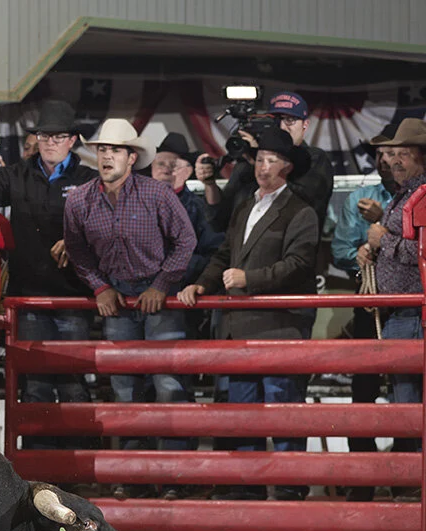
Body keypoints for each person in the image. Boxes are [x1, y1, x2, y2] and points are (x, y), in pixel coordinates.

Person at [178, 128, 319, 503]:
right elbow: (225, 253)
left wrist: (249, 279)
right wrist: (204, 283)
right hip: (242, 326)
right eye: (259, 159)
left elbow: (300, 263)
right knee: (244, 411)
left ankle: (288, 486)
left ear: (287, 167)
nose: (263, 167)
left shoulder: (300, 211)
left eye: (272, 160)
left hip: (279, 327)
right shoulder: (245, 206)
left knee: (281, 409)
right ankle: (247, 485)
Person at [0, 100, 97, 450]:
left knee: (72, 380)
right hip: (29, 296)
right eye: (44, 135)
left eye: (58, 136)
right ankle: (37, 459)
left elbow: (101, 226)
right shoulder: (18, 174)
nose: (49, 142)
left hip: (72, 295)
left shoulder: (88, 182)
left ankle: (77, 458)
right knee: (35, 381)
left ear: (72, 140)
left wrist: (75, 240)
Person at [63, 119, 196, 501]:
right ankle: (133, 476)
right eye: (103, 150)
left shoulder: (156, 194)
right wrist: (100, 287)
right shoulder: (80, 200)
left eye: (115, 150)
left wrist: (162, 284)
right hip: (118, 297)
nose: (106, 156)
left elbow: (185, 241)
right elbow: (77, 250)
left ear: (131, 157)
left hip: (157, 296)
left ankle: (173, 477)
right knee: (125, 390)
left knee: (168, 386)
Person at [331, 124, 400, 499]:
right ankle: (364, 480)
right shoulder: (358, 197)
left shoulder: (410, 198)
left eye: (395, 154)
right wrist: (360, 257)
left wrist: (379, 223)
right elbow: (340, 250)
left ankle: (403, 475)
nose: (387, 161)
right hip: (370, 301)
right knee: (363, 391)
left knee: (408, 393)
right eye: (382, 155)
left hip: (406, 307)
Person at [358, 119, 426, 484]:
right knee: (406, 402)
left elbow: (422, 250)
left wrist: (384, 243)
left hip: (414, 313)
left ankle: (417, 488)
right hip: (404, 311)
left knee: (410, 404)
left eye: (403, 153)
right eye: (392, 154)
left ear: (420, 156)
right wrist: (371, 248)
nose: (394, 160)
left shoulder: (422, 193)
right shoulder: (406, 194)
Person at [196, 90, 334, 236]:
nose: (282, 127)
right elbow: (218, 222)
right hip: (242, 254)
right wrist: (210, 185)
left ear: (305, 125)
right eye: (276, 120)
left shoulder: (315, 159)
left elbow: (304, 203)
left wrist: (260, 161)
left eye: (290, 120)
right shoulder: (247, 164)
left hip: (290, 253)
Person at [151, 133, 225, 287]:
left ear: (187, 171)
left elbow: (215, 253)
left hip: (179, 296)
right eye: (160, 164)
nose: (166, 170)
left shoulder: (200, 208)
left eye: (174, 165)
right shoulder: (131, 203)